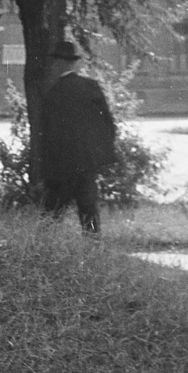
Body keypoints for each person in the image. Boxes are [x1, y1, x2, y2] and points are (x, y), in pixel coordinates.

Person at [41, 40, 117, 233]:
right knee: (89, 213)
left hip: (61, 167)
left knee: (51, 216)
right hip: (86, 165)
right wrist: (100, 157)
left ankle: (45, 253)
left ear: (58, 63)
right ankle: (93, 252)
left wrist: (45, 170)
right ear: (74, 63)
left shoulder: (53, 93)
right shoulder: (91, 87)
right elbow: (107, 125)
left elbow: (47, 135)